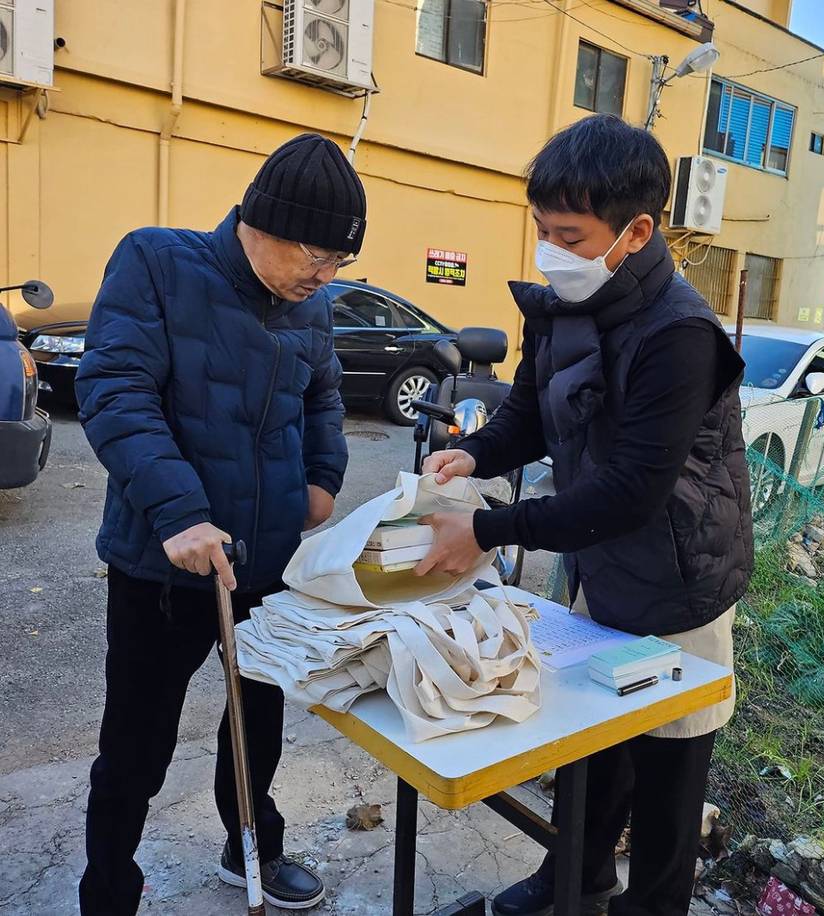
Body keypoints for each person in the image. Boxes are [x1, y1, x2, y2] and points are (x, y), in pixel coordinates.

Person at [416, 114, 753, 916]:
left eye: (569, 234)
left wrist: (488, 530)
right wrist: (476, 456)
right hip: (598, 559)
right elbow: (528, 416)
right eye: (542, 230)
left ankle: (654, 903)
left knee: (668, 764)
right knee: (591, 745)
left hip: (680, 578)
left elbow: (635, 490)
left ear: (635, 231)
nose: (551, 250)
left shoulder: (681, 335)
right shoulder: (564, 308)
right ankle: (577, 876)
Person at [75, 133, 363, 914]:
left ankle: (252, 846)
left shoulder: (313, 306)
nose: (325, 275)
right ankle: (109, 887)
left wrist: (320, 480)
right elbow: (115, 388)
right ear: (262, 221)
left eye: (340, 262)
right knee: (135, 746)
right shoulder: (157, 264)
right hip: (163, 567)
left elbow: (325, 398)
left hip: (264, 566)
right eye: (317, 254)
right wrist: (180, 511)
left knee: (257, 721)